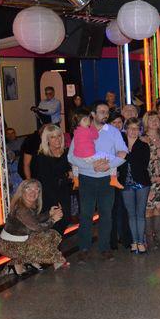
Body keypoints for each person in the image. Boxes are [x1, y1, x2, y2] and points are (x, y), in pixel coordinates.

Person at [68, 101, 128, 262]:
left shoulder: (113, 132)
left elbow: (123, 152)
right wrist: (92, 165)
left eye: (107, 112)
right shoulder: (82, 130)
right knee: (85, 215)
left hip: (107, 179)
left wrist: (109, 165)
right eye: (102, 111)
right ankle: (84, 248)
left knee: (106, 215)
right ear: (93, 114)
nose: (105, 115)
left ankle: (105, 248)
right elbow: (71, 156)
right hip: (86, 179)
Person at [0, 179, 68, 275]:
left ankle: (21, 263)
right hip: (9, 245)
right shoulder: (21, 208)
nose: (33, 192)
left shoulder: (29, 204)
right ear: (22, 191)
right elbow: (37, 228)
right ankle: (56, 260)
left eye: (36, 189)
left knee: (51, 235)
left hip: (21, 240)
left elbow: (33, 220)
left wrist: (49, 213)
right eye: (29, 189)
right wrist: (52, 220)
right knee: (45, 239)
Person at [69, 108, 124, 190]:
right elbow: (96, 136)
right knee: (112, 159)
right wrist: (92, 128)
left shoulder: (75, 131)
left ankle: (76, 180)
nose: (89, 121)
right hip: (90, 155)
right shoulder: (87, 130)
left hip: (80, 156)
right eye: (87, 119)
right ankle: (113, 179)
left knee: (75, 166)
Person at [118, 118, 151, 254]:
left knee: (140, 214)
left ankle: (141, 242)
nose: (133, 131)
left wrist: (126, 156)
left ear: (140, 130)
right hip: (125, 183)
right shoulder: (120, 144)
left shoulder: (143, 145)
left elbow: (142, 164)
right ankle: (134, 242)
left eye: (136, 128)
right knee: (131, 214)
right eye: (130, 128)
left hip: (141, 183)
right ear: (125, 129)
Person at [31, 124, 72, 234]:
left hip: (64, 191)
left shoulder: (65, 153)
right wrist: (56, 201)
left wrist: (69, 173)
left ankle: (56, 242)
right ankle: (53, 244)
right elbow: (45, 182)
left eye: (59, 136)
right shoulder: (42, 156)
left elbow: (67, 172)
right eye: (53, 137)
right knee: (56, 222)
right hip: (49, 194)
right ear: (47, 139)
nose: (57, 139)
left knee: (66, 219)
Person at [141, 111, 160, 249]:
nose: (154, 122)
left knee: (159, 208)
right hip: (148, 179)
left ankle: (159, 237)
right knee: (148, 210)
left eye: (157, 119)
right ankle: (149, 239)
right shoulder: (142, 139)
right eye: (151, 119)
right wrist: (150, 177)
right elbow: (139, 163)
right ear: (146, 122)